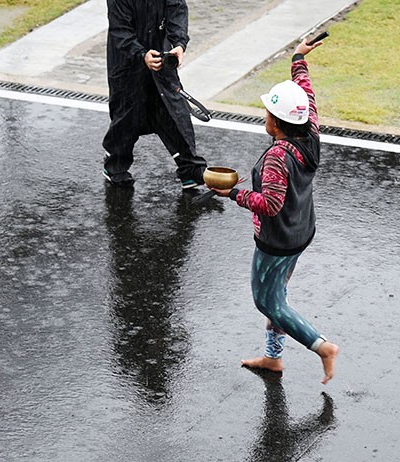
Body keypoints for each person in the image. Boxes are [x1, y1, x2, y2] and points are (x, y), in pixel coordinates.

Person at [211, 37, 340, 384]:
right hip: (301, 232)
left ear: (278, 122)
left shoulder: (277, 158)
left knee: (268, 302)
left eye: (268, 112)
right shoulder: (309, 132)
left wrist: (232, 194)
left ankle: (322, 346)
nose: (264, 116)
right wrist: (298, 57)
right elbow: (306, 93)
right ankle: (273, 358)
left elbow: (269, 204)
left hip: (277, 241)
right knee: (278, 294)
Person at [102, 0, 207, 189]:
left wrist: (179, 44)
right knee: (126, 115)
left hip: (161, 56)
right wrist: (141, 54)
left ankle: (190, 168)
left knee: (175, 111)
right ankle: (115, 165)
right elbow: (120, 30)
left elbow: (177, 11)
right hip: (127, 63)